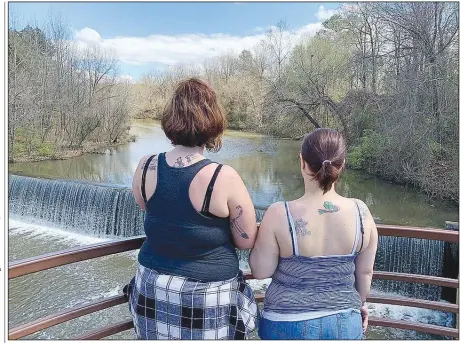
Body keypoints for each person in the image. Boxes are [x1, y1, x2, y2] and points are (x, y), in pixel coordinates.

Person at [124, 78, 259, 340]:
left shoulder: (145, 166)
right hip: (206, 299)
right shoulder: (222, 176)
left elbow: (145, 205)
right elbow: (246, 240)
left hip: (152, 289)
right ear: (213, 121)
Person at [249, 128, 378, 340]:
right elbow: (365, 273)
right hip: (344, 322)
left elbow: (261, 271)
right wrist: (359, 304)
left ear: (302, 162)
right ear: (342, 164)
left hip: (286, 324)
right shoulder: (361, 212)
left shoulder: (279, 213)